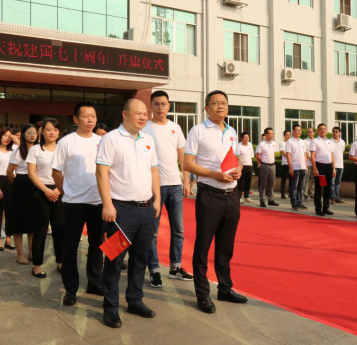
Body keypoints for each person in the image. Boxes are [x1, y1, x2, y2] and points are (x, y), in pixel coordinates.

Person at [96, 99, 161, 328]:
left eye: (145, 113)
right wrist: (107, 204)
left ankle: (135, 300)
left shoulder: (148, 139)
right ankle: (110, 308)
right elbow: (101, 172)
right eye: (138, 113)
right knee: (114, 261)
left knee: (140, 259)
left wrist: (157, 199)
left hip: (146, 210)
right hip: (120, 212)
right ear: (125, 114)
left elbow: (154, 171)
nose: (143, 117)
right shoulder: (111, 138)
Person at [184, 90, 247, 314]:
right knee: (203, 246)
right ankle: (202, 294)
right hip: (210, 195)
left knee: (226, 246)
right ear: (206, 108)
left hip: (232, 195)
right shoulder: (198, 131)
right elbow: (188, 163)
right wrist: (214, 175)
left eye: (223, 103)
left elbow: (237, 158)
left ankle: (225, 288)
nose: (220, 106)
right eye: (215, 103)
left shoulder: (231, 131)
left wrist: (239, 169)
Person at [52, 101, 104, 306]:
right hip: (74, 203)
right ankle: (71, 288)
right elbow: (56, 172)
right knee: (70, 246)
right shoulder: (66, 142)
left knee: (97, 245)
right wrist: (67, 191)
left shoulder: (102, 141)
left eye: (93, 116)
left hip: (98, 201)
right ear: (75, 119)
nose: (90, 120)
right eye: (85, 116)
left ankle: (95, 282)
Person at [144, 90, 192, 288]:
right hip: (154, 187)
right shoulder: (145, 128)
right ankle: (154, 270)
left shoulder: (175, 127)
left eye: (163, 104)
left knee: (178, 229)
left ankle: (175, 267)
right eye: (156, 104)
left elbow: (183, 157)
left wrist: (186, 181)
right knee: (153, 231)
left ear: (169, 106)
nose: (160, 107)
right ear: (151, 106)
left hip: (175, 185)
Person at [28, 119, 65, 278]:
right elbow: (31, 173)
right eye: (48, 129)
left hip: (60, 190)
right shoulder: (35, 149)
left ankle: (61, 262)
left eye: (55, 130)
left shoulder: (63, 148)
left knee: (60, 229)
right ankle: (37, 264)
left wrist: (57, 189)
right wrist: (46, 190)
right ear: (42, 132)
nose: (52, 133)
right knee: (41, 230)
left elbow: (68, 171)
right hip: (40, 191)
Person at [6, 125, 37, 265]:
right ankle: (20, 254)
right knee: (18, 222)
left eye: (35, 132)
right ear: (23, 134)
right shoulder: (19, 151)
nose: (32, 135)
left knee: (33, 222)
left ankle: (31, 252)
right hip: (21, 185)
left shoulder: (39, 149)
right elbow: (9, 172)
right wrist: (18, 184)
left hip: (35, 185)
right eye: (29, 132)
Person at [310, 123, 335, 216]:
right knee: (319, 188)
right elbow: (312, 156)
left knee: (327, 188)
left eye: (324, 129)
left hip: (329, 166)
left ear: (327, 130)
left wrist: (334, 168)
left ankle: (326, 207)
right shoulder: (315, 141)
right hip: (320, 166)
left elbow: (332, 156)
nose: (323, 130)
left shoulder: (330, 142)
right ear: (318, 130)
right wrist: (315, 168)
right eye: (321, 129)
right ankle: (318, 208)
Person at [286, 124, 308, 212]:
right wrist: (290, 167)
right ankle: (294, 204)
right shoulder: (290, 141)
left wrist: (306, 166)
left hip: (303, 167)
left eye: (300, 130)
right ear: (293, 131)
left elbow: (305, 154)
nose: (299, 132)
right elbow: (288, 155)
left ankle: (300, 203)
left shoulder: (302, 141)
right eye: (297, 130)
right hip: (295, 167)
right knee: (294, 187)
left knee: (301, 186)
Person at [255, 127, 278, 208]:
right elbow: (258, 155)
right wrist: (261, 163)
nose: (272, 135)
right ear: (266, 134)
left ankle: (271, 199)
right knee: (263, 184)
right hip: (265, 165)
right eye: (270, 133)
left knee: (271, 183)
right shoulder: (261, 144)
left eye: (272, 133)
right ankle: (262, 200)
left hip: (273, 165)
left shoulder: (274, 143)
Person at [237, 132, 255, 204]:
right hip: (242, 166)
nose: (246, 139)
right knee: (240, 182)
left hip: (249, 165)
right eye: (245, 137)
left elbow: (251, 156)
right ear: (242, 138)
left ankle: (246, 196)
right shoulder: (238, 146)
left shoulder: (250, 145)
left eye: (248, 137)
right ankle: (239, 197)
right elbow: (237, 157)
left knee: (248, 181)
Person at [330, 127, 345, 204]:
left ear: (339, 133)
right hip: (332, 166)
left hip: (340, 165)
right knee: (332, 183)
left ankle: (337, 197)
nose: (335, 133)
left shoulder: (342, 142)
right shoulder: (329, 142)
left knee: (338, 182)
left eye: (336, 131)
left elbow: (342, 152)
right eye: (334, 131)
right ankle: (332, 198)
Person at [303, 127, 315, 200]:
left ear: (314, 133)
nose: (309, 133)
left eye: (311, 132)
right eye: (308, 132)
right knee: (306, 180)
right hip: (307, 163)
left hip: (315, 164)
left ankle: (312, 194)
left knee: (314, 180)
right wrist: (310, 158)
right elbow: (304, 152)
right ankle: (305, 194)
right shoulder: (304, 141)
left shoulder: (316, 141)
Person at [279, 131, 291, 199]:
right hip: (285, 163)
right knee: (284, 180)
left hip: (292, 164)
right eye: (287, 134)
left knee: (292, 180)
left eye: (289, 134)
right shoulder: (282, 143)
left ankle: (291, 194)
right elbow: (284, 153)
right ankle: (282, 194)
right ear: (284, 135)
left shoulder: (291, 143)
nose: (288, 136)